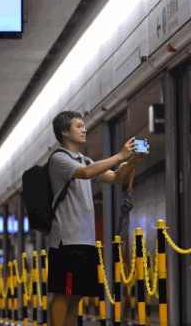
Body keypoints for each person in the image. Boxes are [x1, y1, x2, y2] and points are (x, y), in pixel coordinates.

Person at [48, 111, 148, 326]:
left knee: (76, 297)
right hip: (67, 241)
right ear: (65, 132)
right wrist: (120, 156)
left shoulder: (84, 159)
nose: (84, 129)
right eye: (79, 126)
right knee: (63, 294)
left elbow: (115, 177)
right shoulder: (59, 158)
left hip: (86, 240)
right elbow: (85, 173)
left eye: (84, 125)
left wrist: (132, 161)